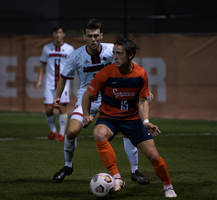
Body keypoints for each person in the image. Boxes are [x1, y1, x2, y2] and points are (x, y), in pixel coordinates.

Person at [52, 19, 149, 185]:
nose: (93, 39)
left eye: (96, 35)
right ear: (84, 37)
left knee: (127, 130)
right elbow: (63, 77)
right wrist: (58, 96)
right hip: (87, 97)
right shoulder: (76, 55)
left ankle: (135, 170)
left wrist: (142, 85)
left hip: (111, 96)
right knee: (72, 132)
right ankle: (68, 166)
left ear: (101, 35)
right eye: (90, 36)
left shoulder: (113, 50)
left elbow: (131, 64)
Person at [82, 37, 177, 197]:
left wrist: (145, 121)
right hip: (108, 118)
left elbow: (142, 101)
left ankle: (168, 186)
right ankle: (117, 177)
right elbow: (87, 95)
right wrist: (86, 115)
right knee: (98, 133)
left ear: (131, 55)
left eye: (119, 53)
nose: (115, 57)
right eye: (114, 53)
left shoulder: (141, 74)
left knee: (153, 156)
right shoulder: (105, 74)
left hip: (131, 120)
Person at [36, 24, 75, 141]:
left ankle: (62, 134)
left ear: (63, 34)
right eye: (56, 32)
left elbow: (73, 65)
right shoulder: (46, 48)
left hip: (63, 83)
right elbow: (42, 65)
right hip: (49, 83)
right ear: (53, 34)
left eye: (60, 32)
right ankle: (53, 130)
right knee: (48, 109)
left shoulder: (70, 49)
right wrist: (39, 81)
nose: (58, 35)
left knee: (62, 108)